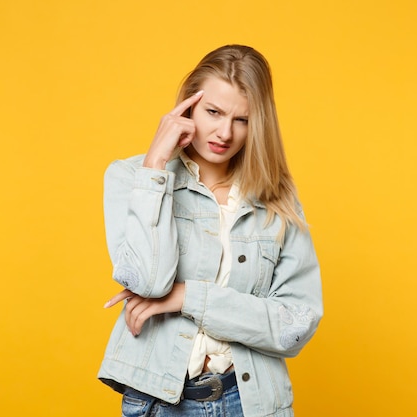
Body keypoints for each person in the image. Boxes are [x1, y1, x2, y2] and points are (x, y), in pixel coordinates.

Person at [98, 44, 323, 417]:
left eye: (242, 119)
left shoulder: (278, 198)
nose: (224, 132)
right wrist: (155, 165)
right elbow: (147, 281)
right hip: (160, 401)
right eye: (213, 112)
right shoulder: (131, 177)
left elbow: (294, 325)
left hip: (250, 402)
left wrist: (186, 297)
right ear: (187, 107)